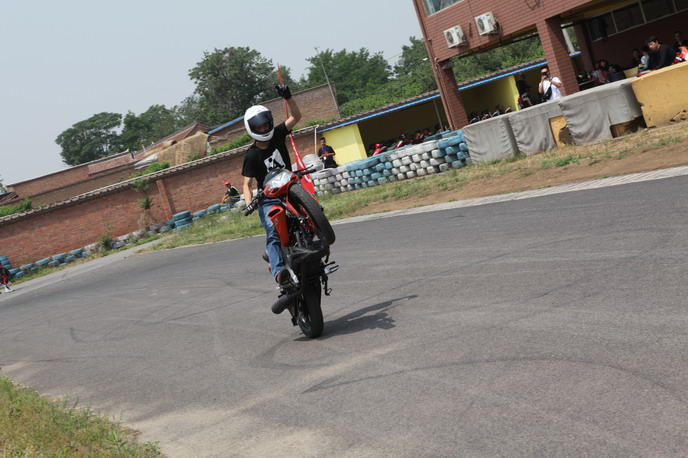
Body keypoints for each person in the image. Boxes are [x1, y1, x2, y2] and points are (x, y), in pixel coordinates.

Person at [242, 84, 301, 287]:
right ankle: (279, 272)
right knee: (273, 232)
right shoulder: (251, 155)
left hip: (291, 188)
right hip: (269, 199)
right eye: (259, 128)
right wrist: (249, 204)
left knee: (313, 209)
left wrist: (288, 98)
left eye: (266, 125)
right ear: (252, 129)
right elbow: (247, 184)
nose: (264, 129)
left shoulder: (277, 134)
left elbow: (296, 117)